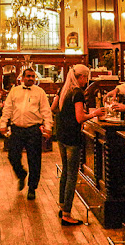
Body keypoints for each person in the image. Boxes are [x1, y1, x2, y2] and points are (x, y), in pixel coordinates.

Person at [51, 65, 105, 225]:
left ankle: (62, 207)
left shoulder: (64, 90)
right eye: (86, 77)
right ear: (80, 77)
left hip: (61, 135)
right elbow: (80, 118)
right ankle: (67, 214)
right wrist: (94, 113)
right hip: (72, 137)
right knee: (72, 175)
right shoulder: (78, 93)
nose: (86, 81)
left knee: (65, 172)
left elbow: (53, 108)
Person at [0, 68, 53, 200]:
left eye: (33, 77)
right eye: (28, 76)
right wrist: (3, 124)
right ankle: (22, 174)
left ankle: (32, 188)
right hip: (17, 128)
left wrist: (48, 127)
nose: (30, 79)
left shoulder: (40, 92)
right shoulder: (14, 91)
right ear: (22, 78)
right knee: (12, 155)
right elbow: (8, 109)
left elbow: (46, 110)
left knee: (34, 160)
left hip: (33, 129)